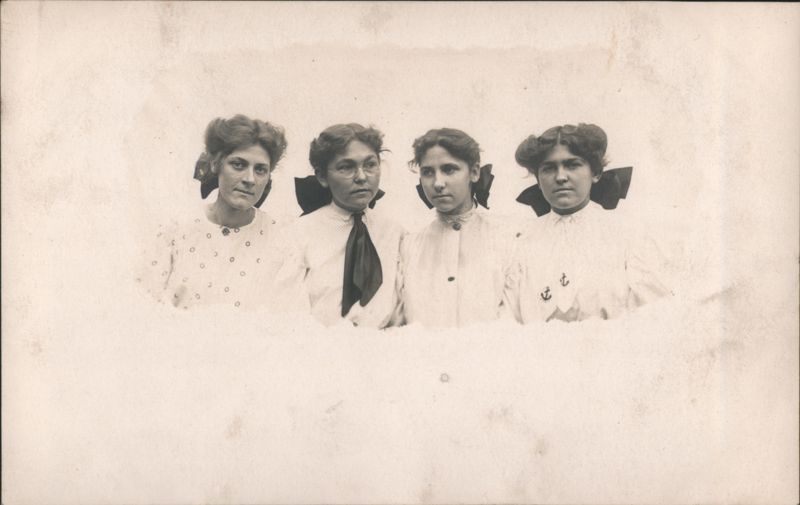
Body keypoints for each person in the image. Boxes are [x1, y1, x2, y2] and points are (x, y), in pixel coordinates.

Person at [509, 123, 669, 322]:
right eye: (549, 169)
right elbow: (508, 319)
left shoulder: (628, 234)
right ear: (538, 179)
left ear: (596, 173)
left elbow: (656, 313)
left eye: (572, 165)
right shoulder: (520, 241)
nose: (560, 177)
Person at [139, 114, 289, 310]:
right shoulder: (175, 230)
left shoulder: (281, 240)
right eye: (238, 164)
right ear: (216, 164)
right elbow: (143, 305)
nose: (250, 179)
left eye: (260, 170)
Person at [280, 123, 405, 328]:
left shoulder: (395, 233)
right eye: (346, 167)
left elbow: (400, 310)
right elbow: (291, 314)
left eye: (370, 164)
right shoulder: (298, 235)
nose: (362, 177)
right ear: (322, 176)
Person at [396, 128, 520, 327]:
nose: (438, 183)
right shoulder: (409, 246)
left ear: (474, 172)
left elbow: (513, 317)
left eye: (449, 169)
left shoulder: (507, 240)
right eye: (428, 172)